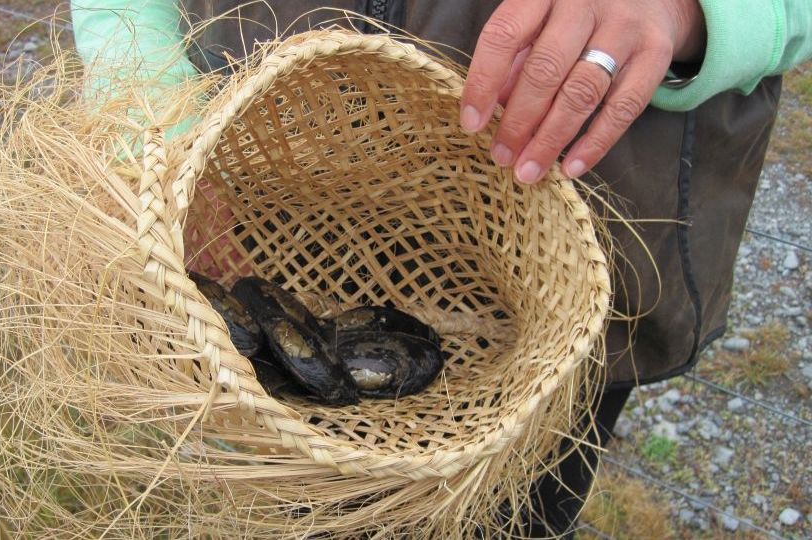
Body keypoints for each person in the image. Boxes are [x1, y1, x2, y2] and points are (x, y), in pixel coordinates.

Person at [70, 1, 812, 537]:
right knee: (294, 493)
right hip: (263, 193)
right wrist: (155, 122)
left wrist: (694, 10)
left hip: (567, 264)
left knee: (514, 513)